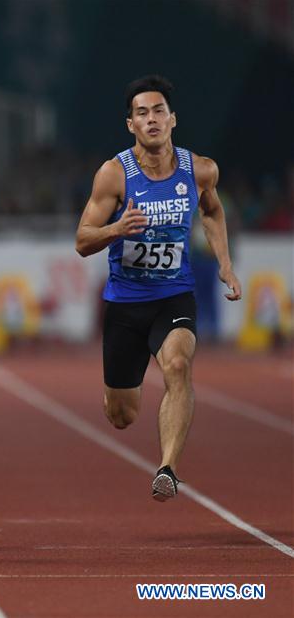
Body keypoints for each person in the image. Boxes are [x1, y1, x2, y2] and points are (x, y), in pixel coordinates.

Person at [75, 75, 241, 501]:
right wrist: (117, 228)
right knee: (121, 415)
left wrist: (224, 263)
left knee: (178, 366)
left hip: (174, 295)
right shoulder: (114, 175)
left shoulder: (200, 170)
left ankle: (167, 468)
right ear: (130, 124)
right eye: (142, 113)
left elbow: (212, 212)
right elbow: (82, 241)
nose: (151, 119)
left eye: (158, 111)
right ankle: (118, 397)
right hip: (125, 304)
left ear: (173, 119)